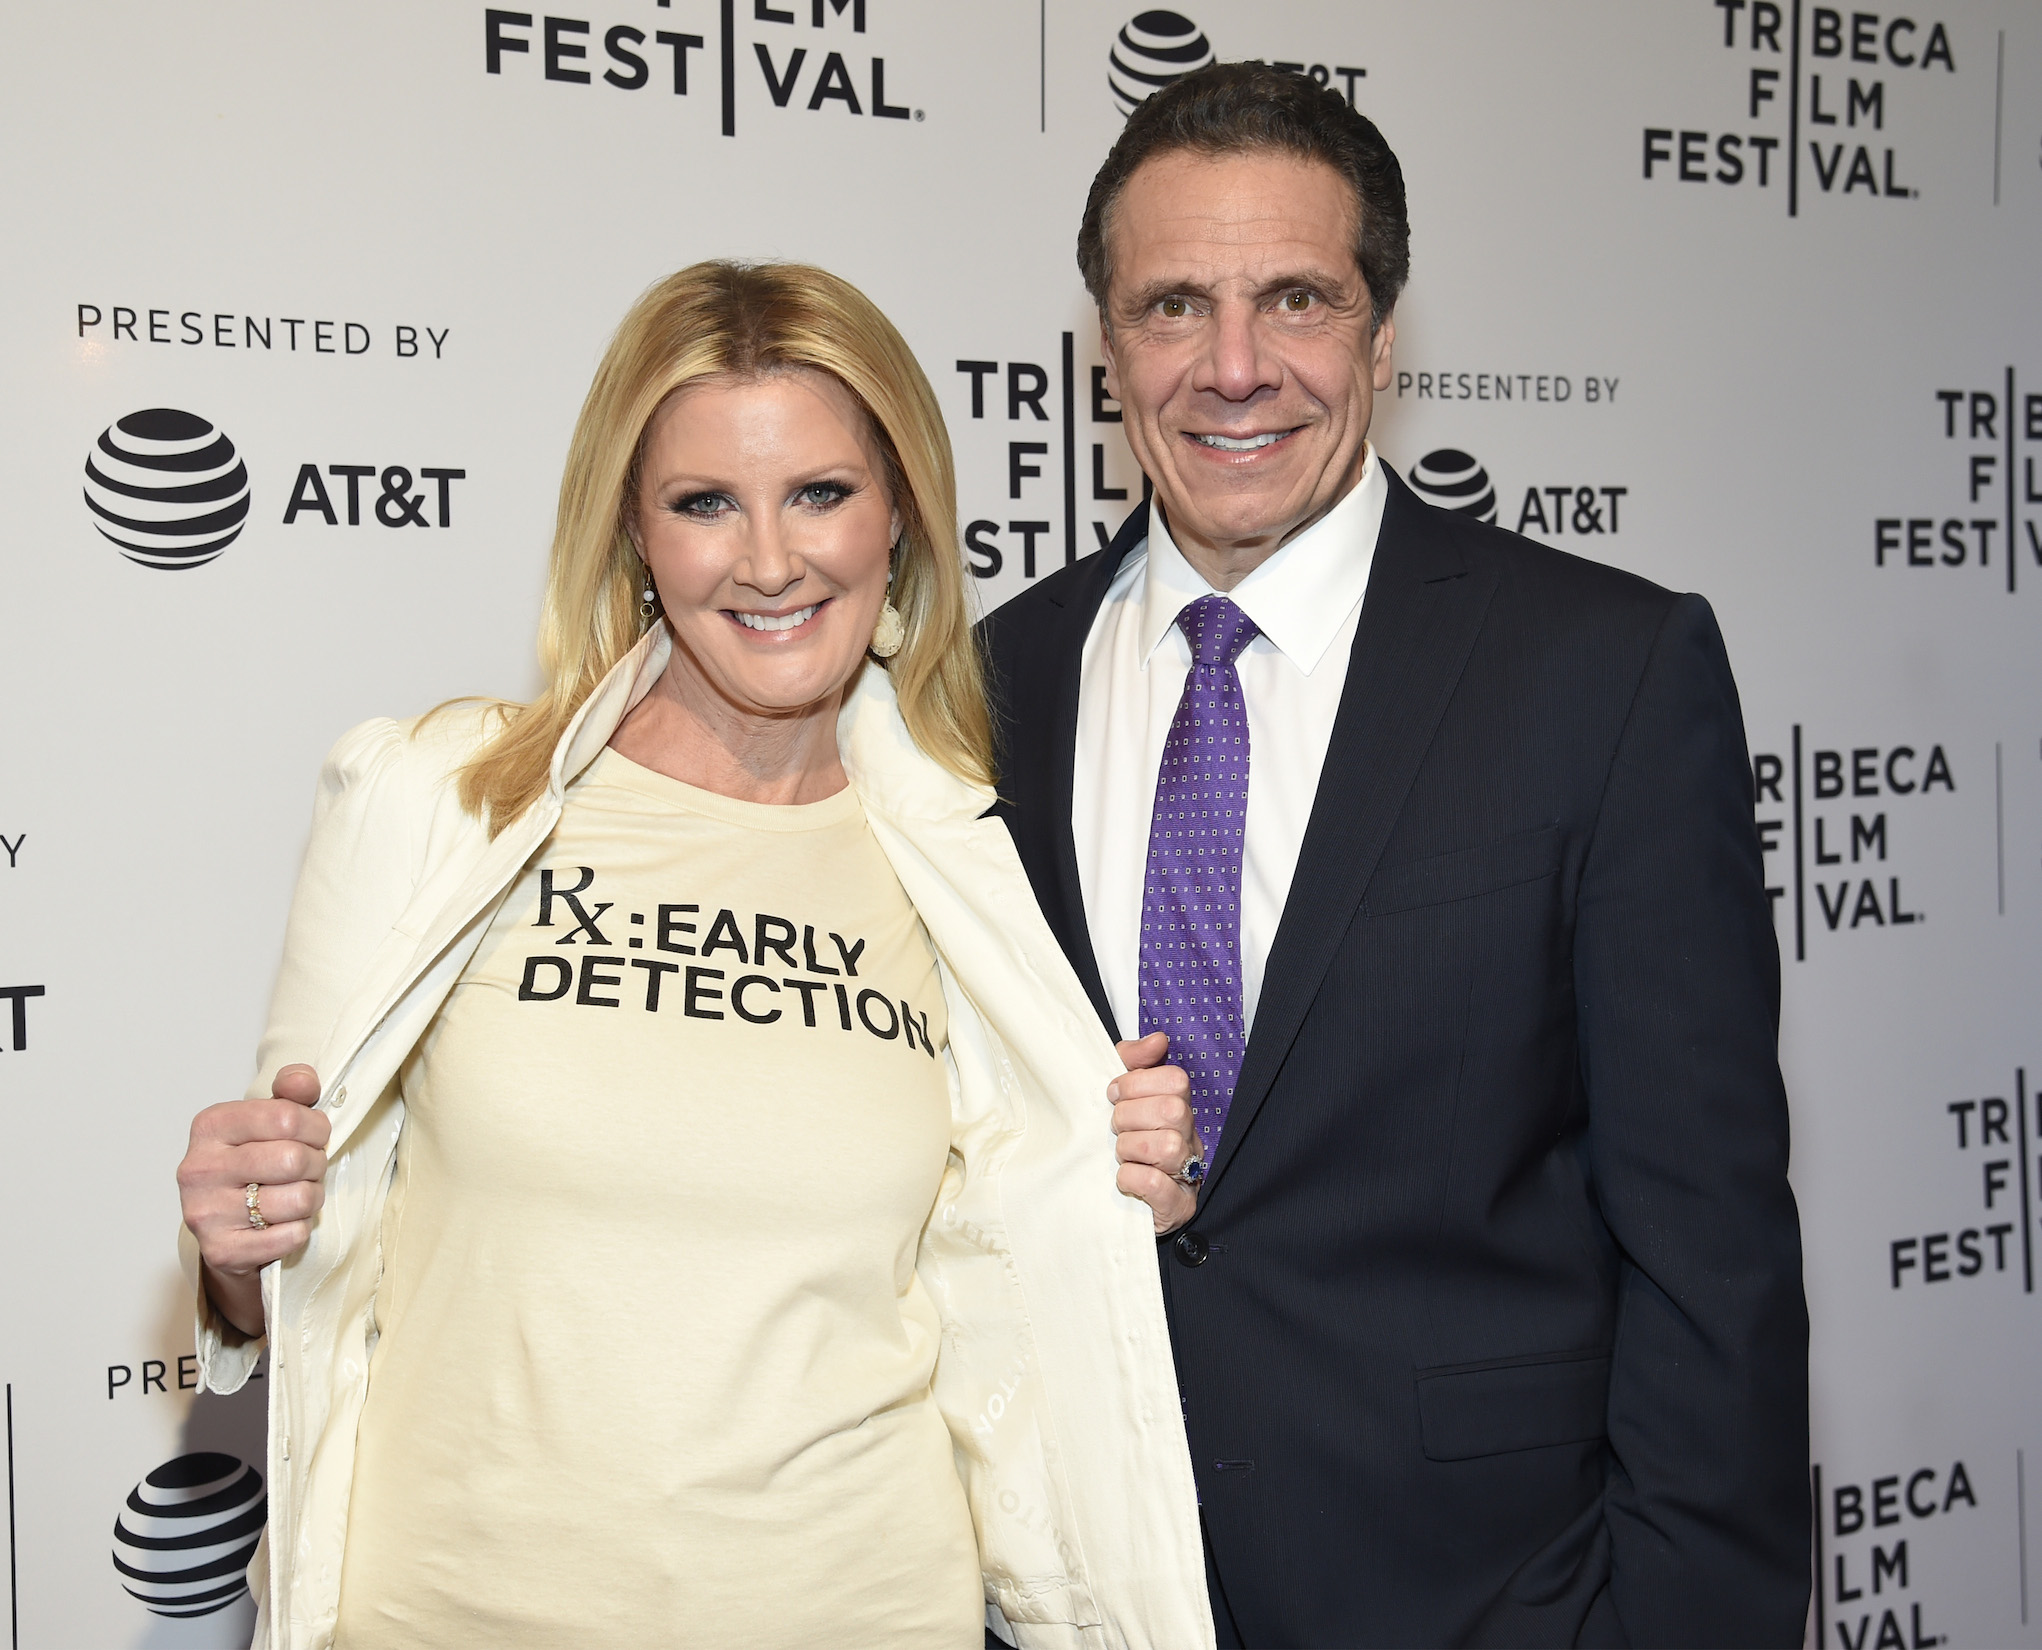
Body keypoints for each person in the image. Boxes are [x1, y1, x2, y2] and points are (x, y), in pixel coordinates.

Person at [176, 261, 1216, 1650]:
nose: (771, 559)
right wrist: (237, 1248)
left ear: (901, 513)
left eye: (822, 493)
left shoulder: (971, 857)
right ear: (633, 531)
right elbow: (289, 1251)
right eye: (704, 502)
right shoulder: (436, 801)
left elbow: (1020, 1250)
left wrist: (1119, 1176)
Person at [981, 64, 1811, 1647]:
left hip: (1488, 1597)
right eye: (1172, 307)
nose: (1233, 367)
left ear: (1379, 332)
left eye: (1294, 297)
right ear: (1105, 347)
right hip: (1075, 1589)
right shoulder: (981, 688)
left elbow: (1710, 1248)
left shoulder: (1604, 670)